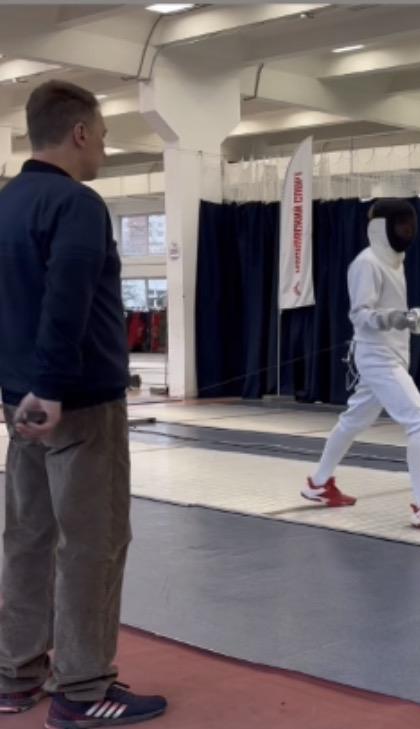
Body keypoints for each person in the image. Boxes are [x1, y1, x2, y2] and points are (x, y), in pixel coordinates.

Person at [0, 80, 168, 726]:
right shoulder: (77, 204)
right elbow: (66, 297)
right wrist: (50, 387)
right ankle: (83, 686)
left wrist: (18, 388)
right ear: (78, 133)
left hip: (20, 403)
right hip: (78, 406)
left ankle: (15, 673)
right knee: (93, 541)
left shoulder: (6, 203)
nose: (103, 145)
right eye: (101, 133)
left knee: (28, 538)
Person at [303, 199, 420, 528]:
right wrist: (397, 318)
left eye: (410, 225)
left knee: (353, 421)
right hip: (377, 357)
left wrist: (405, 320)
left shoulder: (395, 261)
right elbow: (360, 314)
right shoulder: (366, 263)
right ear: (381, 228)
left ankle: (318, 483)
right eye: (401, 224)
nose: (407, 231)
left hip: (391, 354)